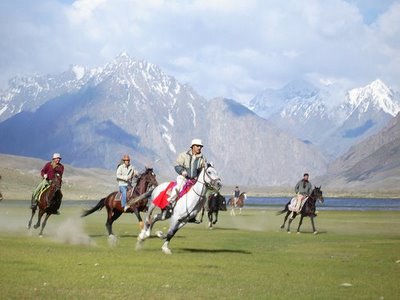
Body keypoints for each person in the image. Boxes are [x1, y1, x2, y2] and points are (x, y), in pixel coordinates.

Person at [167, 138, 207, 210]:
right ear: (193, 146)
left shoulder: (202, 159)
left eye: (200, 146)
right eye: (198, 146)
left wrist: (198, 176)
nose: (199, 147)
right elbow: (177, 166)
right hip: (183, 178)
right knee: (179, 186)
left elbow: (202, 170)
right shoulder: (183, 155)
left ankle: (194, 212)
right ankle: (171, 202)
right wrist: (182, 171)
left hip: (195, 180)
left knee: (202, 195)